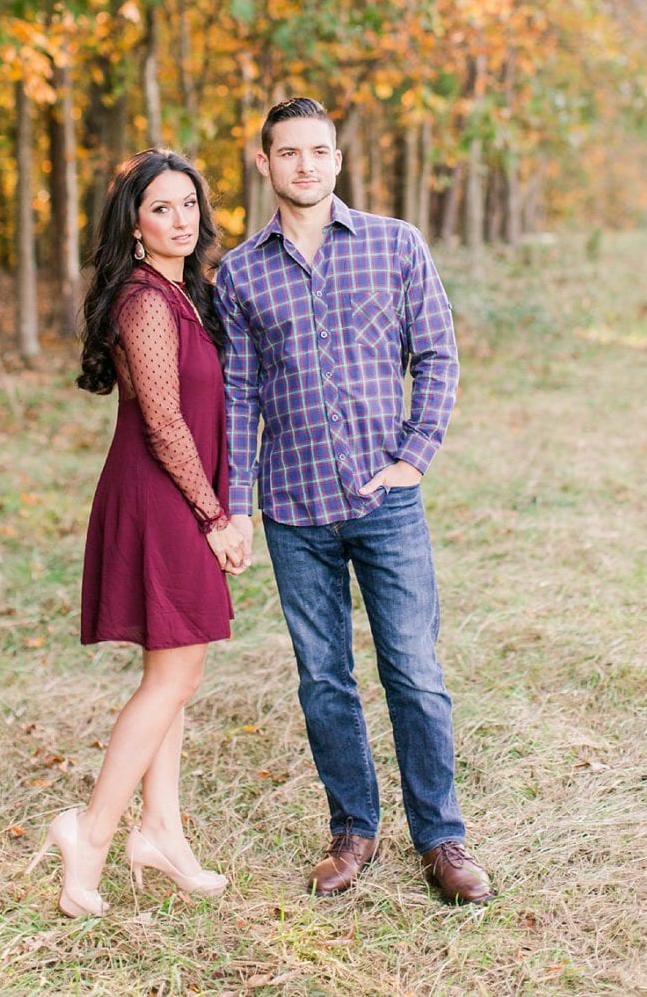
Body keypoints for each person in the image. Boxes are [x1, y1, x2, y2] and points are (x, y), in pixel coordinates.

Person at [213, 98, 493, 904]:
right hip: (292, 508)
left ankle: (441, 839)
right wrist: (236, 505)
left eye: (320, 152)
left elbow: (437, 354)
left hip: (385, 503)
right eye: (289, 152)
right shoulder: (239, 272)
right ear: (264, 162)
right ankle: (353, 831)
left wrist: (413, 457)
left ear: (337, 160)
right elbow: (239, 399)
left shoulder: (395, 244)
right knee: (323, 677)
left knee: (413, 670)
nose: (306, 165)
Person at [26, 149, 248, 917]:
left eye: (189, 204)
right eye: (162, 207)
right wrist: (215, 517)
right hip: (163, 497)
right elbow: (163, 422)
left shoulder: (189, 294)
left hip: (178, 494)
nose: (180, 219)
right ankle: (88, 834)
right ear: (135, 223)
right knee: (172, 679)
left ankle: (160, 831)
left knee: (173, 674)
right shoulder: (147, 302)